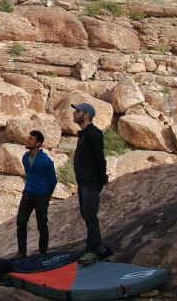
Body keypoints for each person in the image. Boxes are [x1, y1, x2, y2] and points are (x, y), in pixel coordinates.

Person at [72, 102, 109, 265]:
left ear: (86, 114)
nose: (74, 114)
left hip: (90, 182)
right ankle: (98, 246)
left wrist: (102, 179)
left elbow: (99, 159)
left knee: (90, 215)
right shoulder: (85, 134)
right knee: (87, 214)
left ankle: (92, 251)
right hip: (84, 181)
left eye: (77, 111)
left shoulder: (93, 134)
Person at [15, 130, 57, 258]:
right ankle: (22, 253)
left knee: (42, 225)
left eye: (31, 139)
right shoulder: (25, 157)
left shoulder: (46, 161)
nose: (28, 140)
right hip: (27, 194)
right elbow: (29, 174)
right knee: (21, 222)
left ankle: (42, 253)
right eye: (28, 138)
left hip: (41, 196)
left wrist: (46, 196)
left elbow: (53, 181)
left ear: (38, 143)